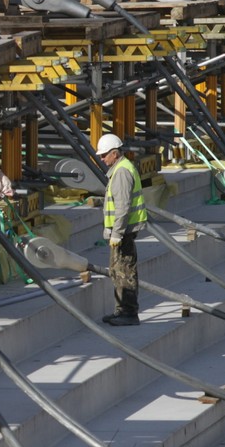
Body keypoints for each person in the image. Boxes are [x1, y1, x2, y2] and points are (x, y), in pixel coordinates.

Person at [96, 133, 147, 326]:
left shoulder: (122, 172)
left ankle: (128, 313)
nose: (102, 159)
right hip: (121, 231)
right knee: (117, 271)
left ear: (115, 154)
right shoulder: (121, 169)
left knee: (124, 271)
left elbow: (123, 206)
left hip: (123, 232)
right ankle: (121, 310)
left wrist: (116, 233)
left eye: (104, 155)